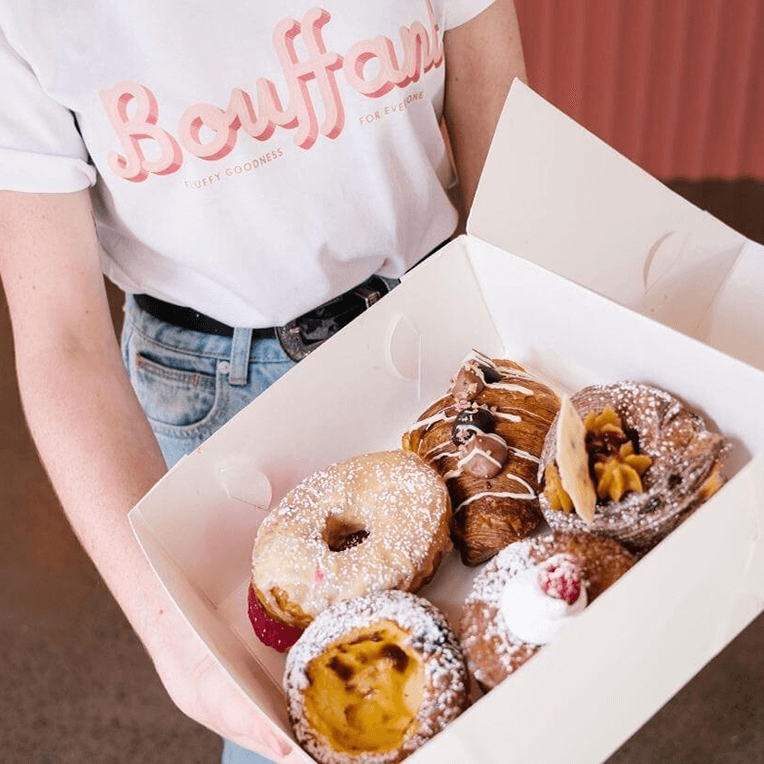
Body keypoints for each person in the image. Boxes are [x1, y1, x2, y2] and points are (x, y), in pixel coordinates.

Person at [0, 1, 526, 761]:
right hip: (221, 388)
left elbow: (501, 154)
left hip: (441, 319)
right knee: (315, 718)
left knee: (507, 676)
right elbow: (61, 336)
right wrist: (177, 643)